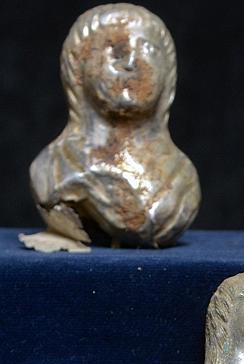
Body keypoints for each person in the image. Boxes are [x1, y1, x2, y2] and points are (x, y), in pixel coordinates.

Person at [30, 3, 200, 247]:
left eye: (148, 50)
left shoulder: (181, 179)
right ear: (78, 69)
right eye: (116, 50)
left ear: (167, 73)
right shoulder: (52, 170)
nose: (132, 62)